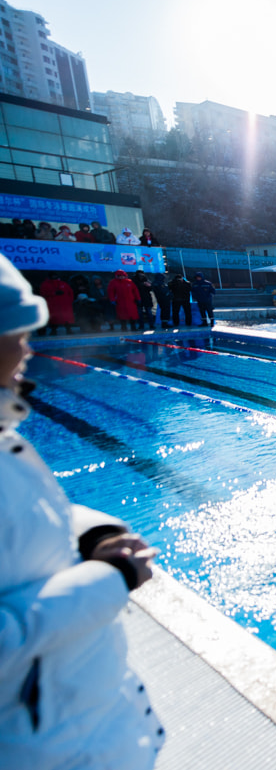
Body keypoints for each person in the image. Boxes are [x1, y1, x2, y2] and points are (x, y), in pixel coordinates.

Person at [0, 254, 165, 767]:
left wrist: (91, 531)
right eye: (14, 332)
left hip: (77, 715)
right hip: (44, 744)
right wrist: (109, 578)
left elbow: (23, 512)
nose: (28, 348)